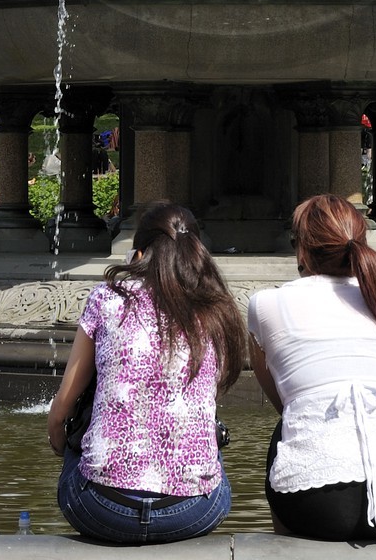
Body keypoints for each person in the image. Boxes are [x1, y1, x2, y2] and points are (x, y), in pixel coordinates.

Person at [248, 193, 376, 542]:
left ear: (302, 250)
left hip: (316, 504)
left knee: (289, 426)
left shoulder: (266, 305)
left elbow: (287, 404)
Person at [48, 201, 243, 545]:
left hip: (100, 507)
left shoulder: (107, 299)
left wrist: (59, 440)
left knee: (81, 440)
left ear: (138, 255)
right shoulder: (216, 309)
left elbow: (64, 404)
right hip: (193, 511)